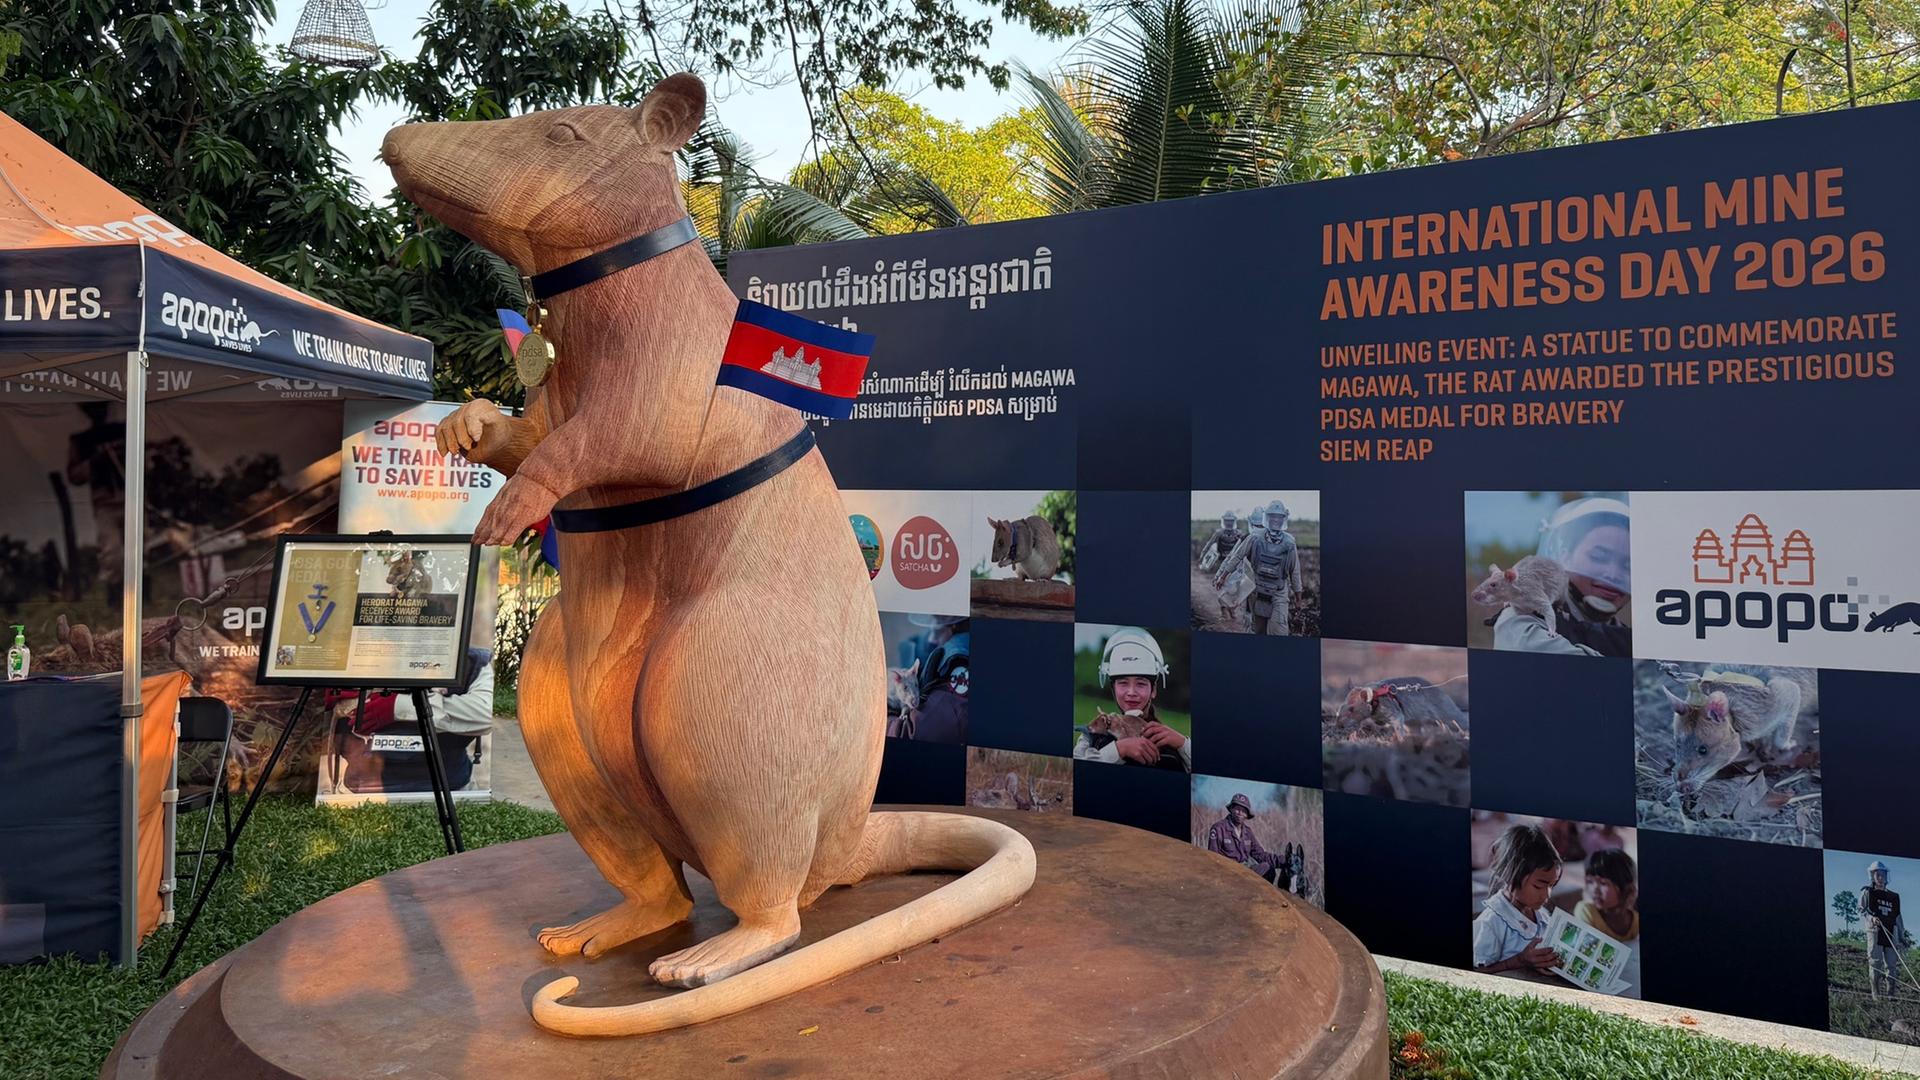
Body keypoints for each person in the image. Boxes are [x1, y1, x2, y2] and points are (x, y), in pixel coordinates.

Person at [327, 647, 496, 793]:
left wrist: (397, 706)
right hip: (366, 785)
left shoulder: (471, 662)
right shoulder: (355, 654)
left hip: (450, 785)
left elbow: (485, 715)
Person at [1494, 497, 1632, 657]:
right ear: (1564, 558)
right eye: (1598, 556)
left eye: (1628, 565)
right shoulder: (1522, 618)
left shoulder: (1635, 639)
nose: (1613, 574)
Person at [1072, 627, 1191, 771]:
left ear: (1153, 690)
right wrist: (1119, 750)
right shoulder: (1091, 737)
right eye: (1123, 683)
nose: (1131, 692)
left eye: (1141, 684)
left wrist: (1183, 744)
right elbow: (1074, 770)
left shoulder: (1172, 742)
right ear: (1113, 689)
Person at [1473, 824, 1563, 976]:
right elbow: (1477, 972)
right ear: (1511, 875)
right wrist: (1520, 960)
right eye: (1538, 886)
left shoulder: (1541, 914)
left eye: (1551, 886)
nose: (1547, 896)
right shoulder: (1491, 923)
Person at [1214, 501, 1303, 635]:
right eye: (1273, 516)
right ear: (1267, 518)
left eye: (1279, 517)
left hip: (1278, 592)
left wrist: (1298, 597)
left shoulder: (1289, 543)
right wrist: (1222, 576)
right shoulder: (1254, 537)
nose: (1276, 520)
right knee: (1258, 630)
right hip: (1257, 589)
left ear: (1284, 519)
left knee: (1279, 630)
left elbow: (1294, 571)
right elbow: (1236, 557)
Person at [1574, 848, 1641, 997]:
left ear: (1626, 889)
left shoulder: (1635, 920)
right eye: (1590, 882)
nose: (1595, 890)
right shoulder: (1586, 911)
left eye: (1603, 883)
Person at [1205, 793, 1283, 885]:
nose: (1240, 813)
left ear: (1247, 815)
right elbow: (1212, 858)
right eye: (1237, 809)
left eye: (1244, 810)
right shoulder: (1218, 828)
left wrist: (1284, 860)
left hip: (1245, 872)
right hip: (1228, 873)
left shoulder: (1248, 832)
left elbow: (1260, 855)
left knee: (1268, 867)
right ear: (1231, 809)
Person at [906, 630, 969, 743]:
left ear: (953, 624)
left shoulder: (957, 661)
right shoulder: (920, 642)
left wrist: (886, 716)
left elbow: (914, 732)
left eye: (939, 621)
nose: (931, 639)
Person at [1862, 860, 1908, 1000]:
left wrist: (1901, 936)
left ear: (1886, 876)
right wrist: (1871, 919)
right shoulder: (1868, 892)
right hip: (1875, 932)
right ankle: (1876, 995)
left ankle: (1891, 995)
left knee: (1892, 965)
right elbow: (1862, 911)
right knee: (1875, 963)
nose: (1881, 878)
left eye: (1883, 875)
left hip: (1891, 933)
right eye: (1877, 875)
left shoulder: (1894, 897)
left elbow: (1898, 918)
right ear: (1872, 876)